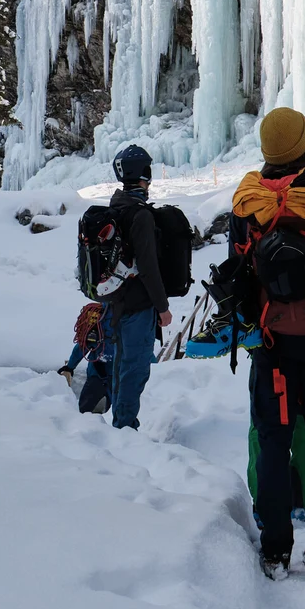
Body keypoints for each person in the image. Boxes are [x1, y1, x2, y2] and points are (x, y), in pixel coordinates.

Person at [189, 107, 305, 579]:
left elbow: (237, 270)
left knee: (272, 444)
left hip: (270, 345)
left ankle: (275, 549)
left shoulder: (248, 202)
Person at [105, 144, 171, 430]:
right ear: (144, 174)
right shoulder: (140, 215)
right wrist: (163, 307)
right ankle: (124, 426)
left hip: (117, 301)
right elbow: (148, 267)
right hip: (139, 304)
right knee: (135, 367)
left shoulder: (116, 206)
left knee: (122, 364)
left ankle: (120, 421)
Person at [58, 301, 112, 414]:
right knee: (117, 411)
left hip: (98, 372)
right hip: (119, 373)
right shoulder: (133, 316)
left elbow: (84, 345)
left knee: (84, 410)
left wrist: (70, 366)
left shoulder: (97, 314)